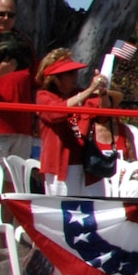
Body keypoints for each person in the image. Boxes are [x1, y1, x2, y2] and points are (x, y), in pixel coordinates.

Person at [34, 52, 109, 195]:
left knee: (95, 207)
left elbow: (104, 113)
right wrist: (89, 90)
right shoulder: (43, 96)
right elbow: (55, 113)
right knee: (64, 210)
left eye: (75, 72)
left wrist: (102, 92)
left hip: (88, 166)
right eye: (69, 73)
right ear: (55, 79)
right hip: (61, 165)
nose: (75, 76)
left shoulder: (81, 93)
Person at [0, 0, 36, 162]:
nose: (5, 18)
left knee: (15, 184)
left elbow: (37, 79)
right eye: (0, 13)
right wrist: (0, 72)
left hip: (21, 127)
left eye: (10, 15)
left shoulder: (23, 41)